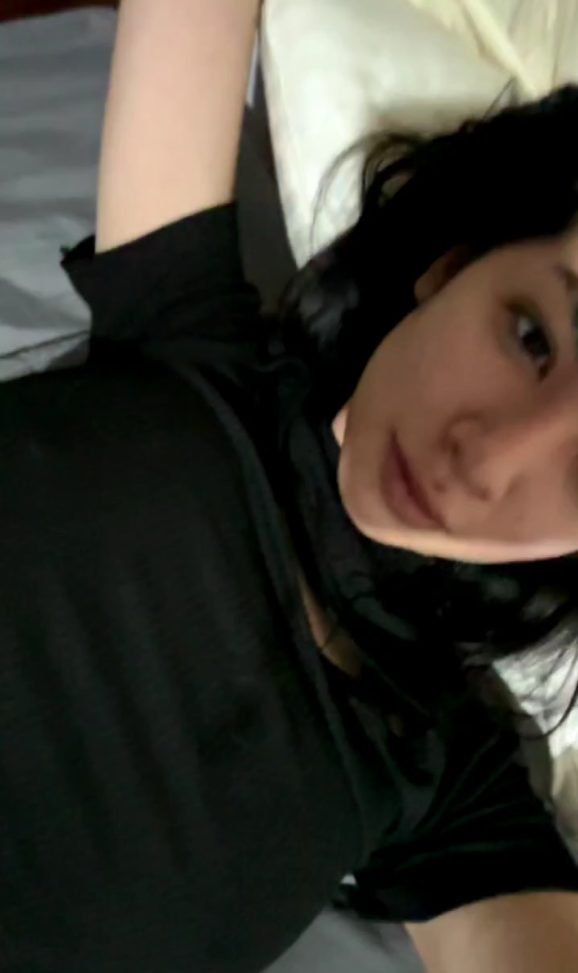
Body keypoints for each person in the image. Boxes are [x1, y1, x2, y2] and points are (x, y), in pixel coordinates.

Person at [1, 1, 578, 970]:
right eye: (531, 338)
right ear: (454, 265)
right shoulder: (186, 333)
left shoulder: (444, 774)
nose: (483, 458)